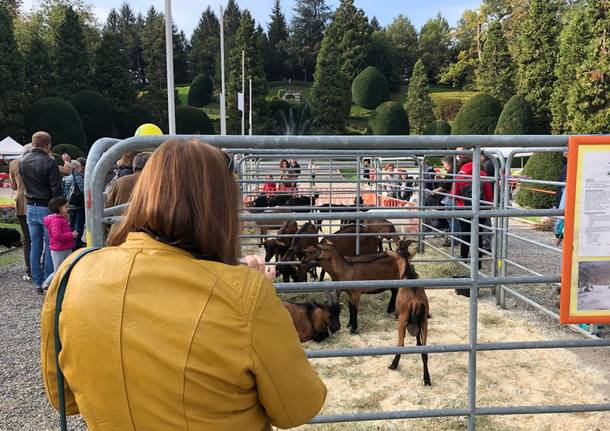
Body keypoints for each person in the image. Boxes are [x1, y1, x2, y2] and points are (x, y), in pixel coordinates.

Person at [41, 139, 326, 430]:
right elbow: (299, 408)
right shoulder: (244, 293)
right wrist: (264, 301)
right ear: (220, 209)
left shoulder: (73, 272)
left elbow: (62, 397)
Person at [20, 132, 61, 293]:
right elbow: (55, 188)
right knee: (51, 245)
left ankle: (37, 281)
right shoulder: (49, 162)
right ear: (48, 145)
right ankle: (48, 280)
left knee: (35, 245)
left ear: (33, 143)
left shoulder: (22, 161)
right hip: (47, 207)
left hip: (30, 205)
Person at [452, 155, 493, 269]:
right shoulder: (483, 174)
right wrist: (488, 205)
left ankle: (464, 259)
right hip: (481, 208)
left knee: (466, 234)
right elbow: (489, 194)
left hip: (464, 208)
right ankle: (478, 263)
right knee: (477, 234)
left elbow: (453, 194)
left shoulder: (460, 175)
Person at [42, 197, 77, 289]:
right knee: (58, 271)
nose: (68, 208)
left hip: (66, 247)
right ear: (59, 208)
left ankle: (62, 286)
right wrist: (71, 235)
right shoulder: (56, 221)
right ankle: (46, 285)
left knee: (66, 267)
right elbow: (57, 235)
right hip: (58, 249)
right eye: (66, 207)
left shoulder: (61, 218)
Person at [9, 143, 32, 280]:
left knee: (27, 238)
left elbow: (13, 186)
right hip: (39, 201)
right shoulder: (42, 160)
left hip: (21, 202)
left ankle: (28, 268)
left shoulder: (14, 164)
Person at [62, 160, 85, 249]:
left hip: (69, 205)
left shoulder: (65, 178)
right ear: (76, 168)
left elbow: (64, 192)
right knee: (79, 224)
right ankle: (76, 244)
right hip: (78, 205)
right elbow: (83, 190)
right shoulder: (79, 177)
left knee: (71, 224)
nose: (81, 169)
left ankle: (70, 242)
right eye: (79, 167)